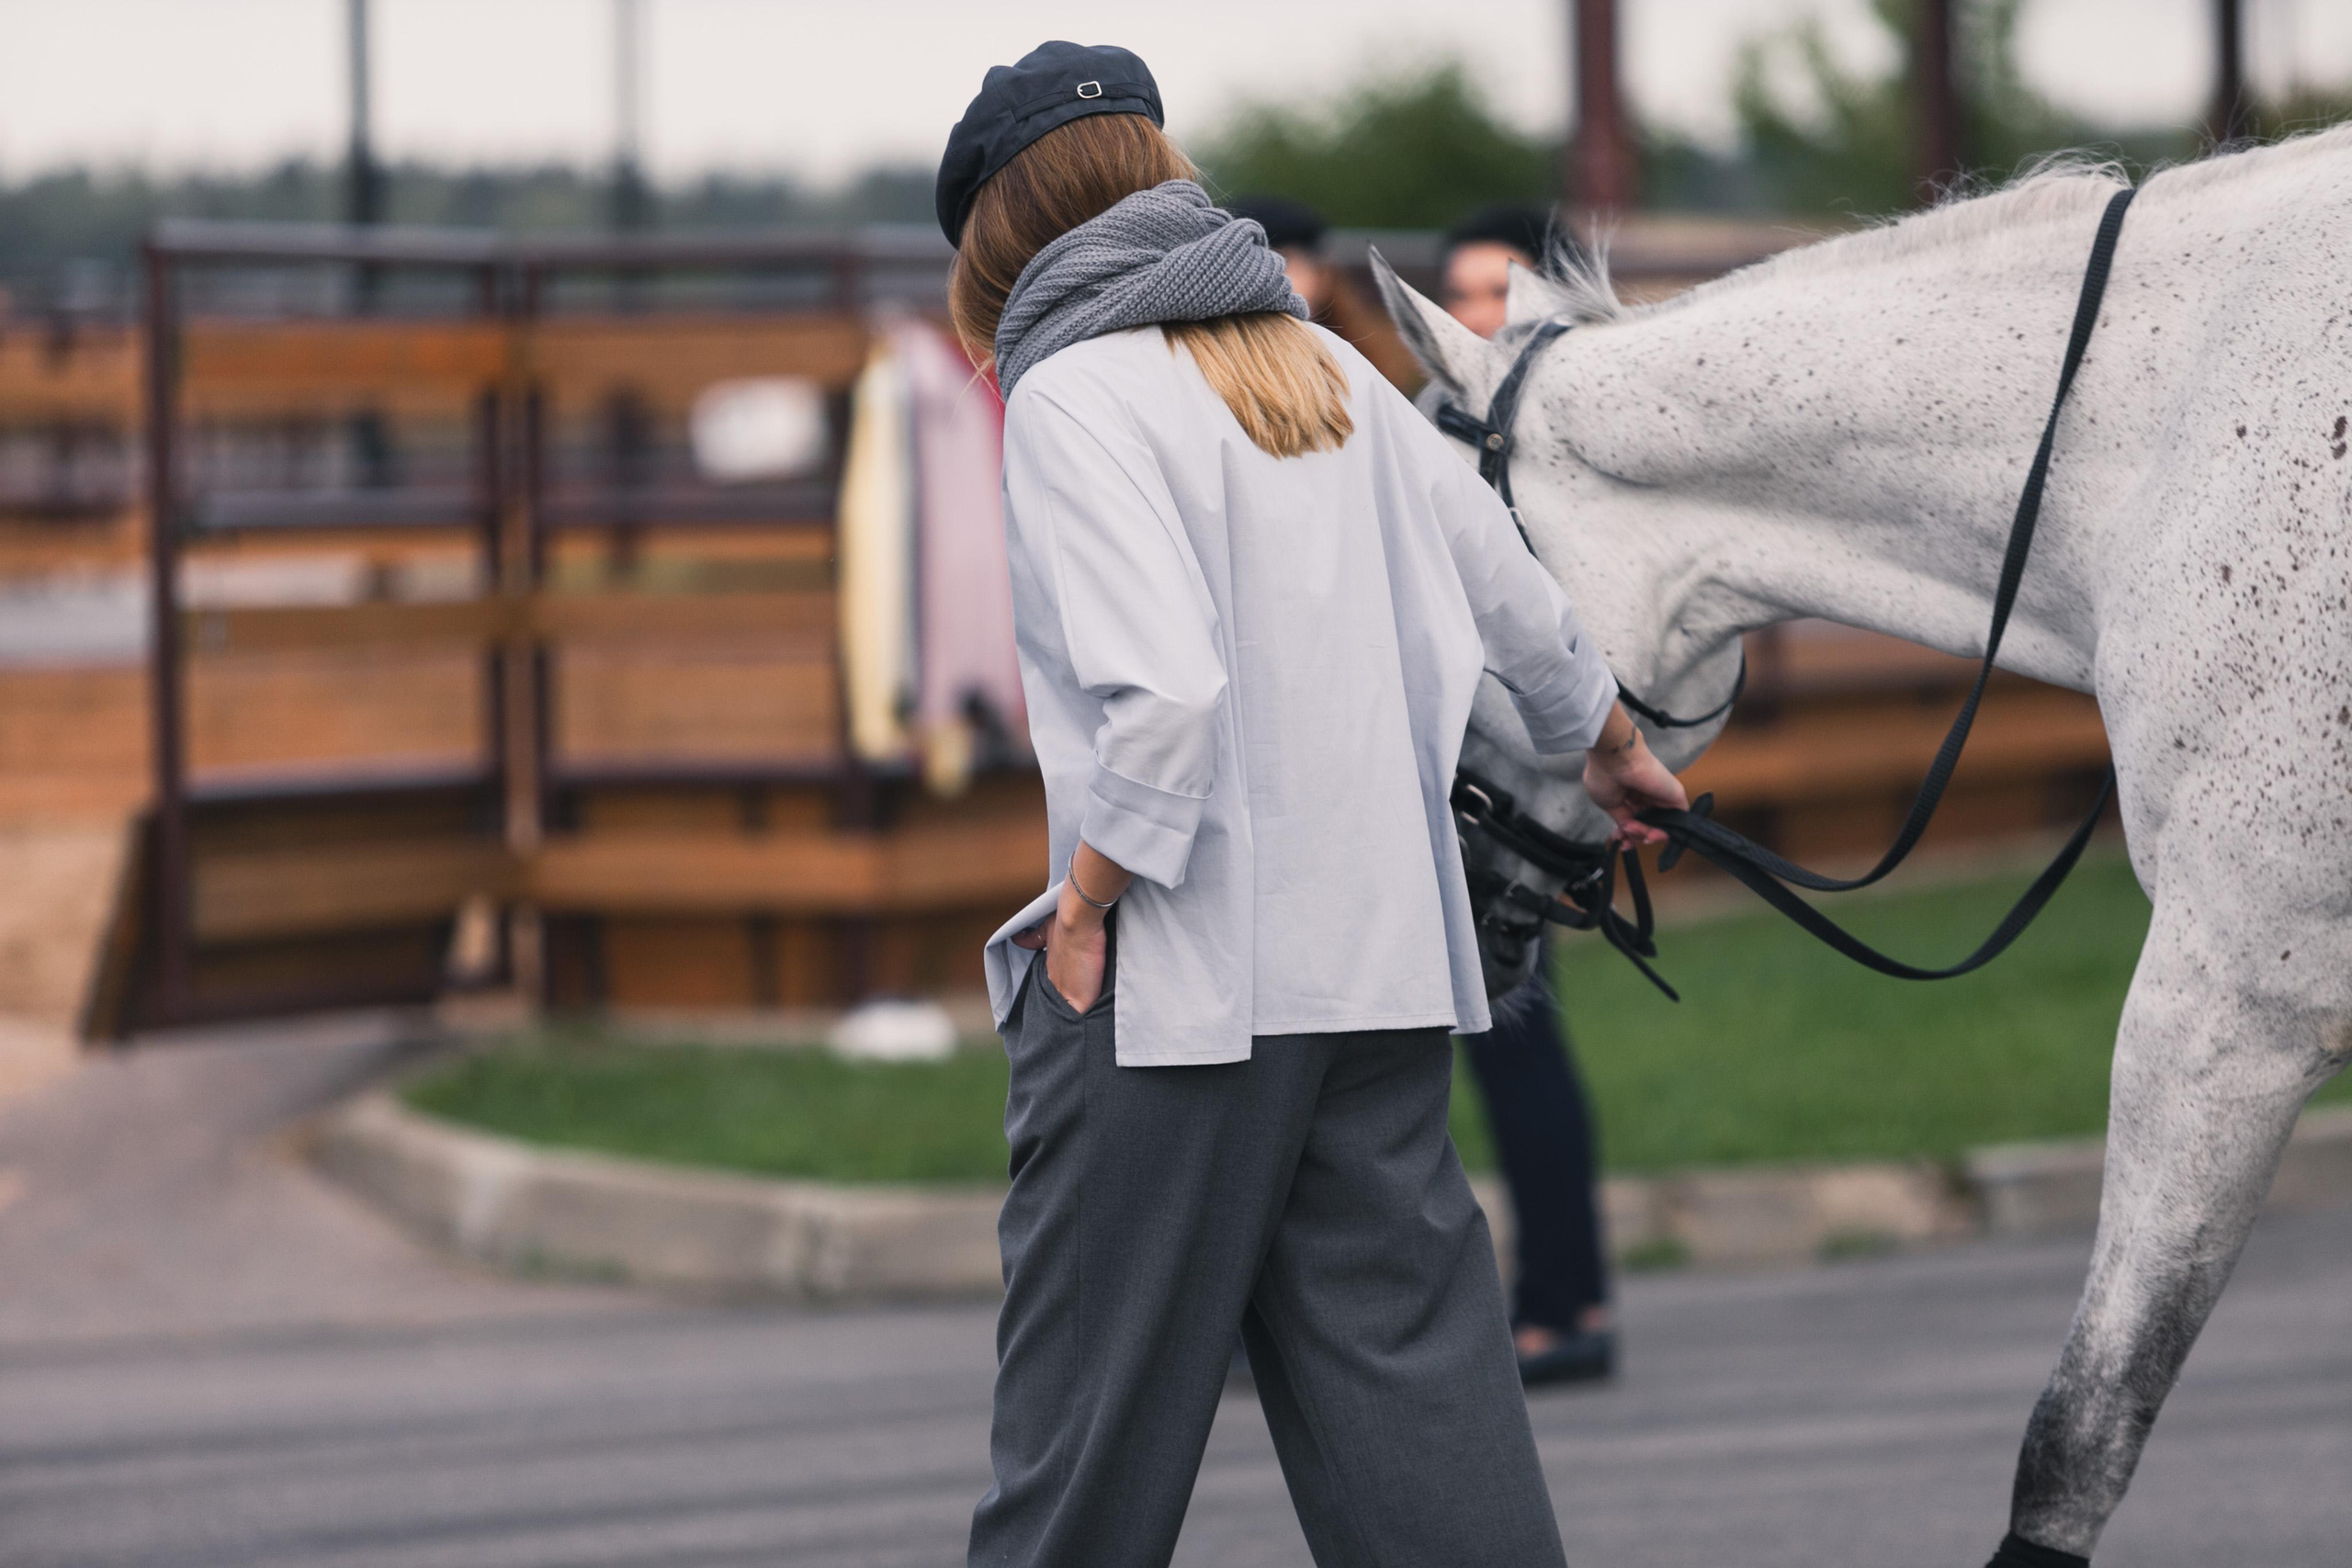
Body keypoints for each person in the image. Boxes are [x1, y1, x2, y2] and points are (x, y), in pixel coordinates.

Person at [937, 41, 1688, 1568]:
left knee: (1079, 1471)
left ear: (999, 231)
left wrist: (1084, 906)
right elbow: (1510, 587)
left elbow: (1166, 701)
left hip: (1179, 996)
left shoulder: (1070, 396)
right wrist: (1609, 745)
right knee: (1426, 1447)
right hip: (1380, 977)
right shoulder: (1325, 368)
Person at [1433, 200, 1623, 1387]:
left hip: (1512, 802)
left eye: (1496, 292)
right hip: (1435, 783)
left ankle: (1565, 1301)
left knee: (1516, 1046)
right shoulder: (1429, 421)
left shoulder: (1563, 446)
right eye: (1457, 294)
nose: (1475, 317)